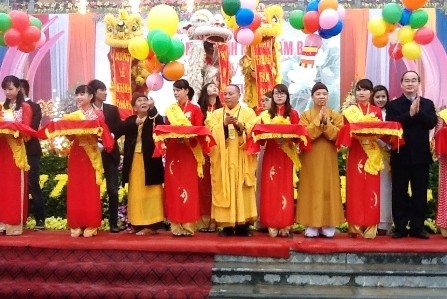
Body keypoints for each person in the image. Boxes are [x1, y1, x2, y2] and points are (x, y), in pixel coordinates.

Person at [386, 71, 437, 239]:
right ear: (401, 84)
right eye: (406, 80)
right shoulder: (393, 105)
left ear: (418, 84)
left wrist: (418, 111)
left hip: (421, 156)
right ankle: (400, 227)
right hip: (400, 155)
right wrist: (409, 114)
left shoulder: (427, 104)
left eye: (413, 80)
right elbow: (392, 124)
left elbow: (431, 123)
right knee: (399, 193)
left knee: (420, 193)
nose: (410, 83)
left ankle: (417, 227)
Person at [62, 85, 113, 237]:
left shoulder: (98, 115)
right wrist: (67, 130)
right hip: (77, 154)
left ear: (91, 96)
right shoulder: (72, 116)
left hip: (91, 155)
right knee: (76, 187)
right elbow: (70, 137)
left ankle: (92, 223)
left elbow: (102, 133)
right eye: (77, 94)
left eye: (82, 94)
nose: (79, 97)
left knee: (90, 188)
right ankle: (76, 223)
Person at [207, 84, 258, 237]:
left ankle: (243, 225)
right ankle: (226, 225)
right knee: (224, 188)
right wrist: (223, 125)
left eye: (231, 93)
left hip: (241, 158)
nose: (227, 96)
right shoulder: (216, 114)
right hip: (223, 158)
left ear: (239, 94)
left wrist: (238, 125)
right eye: (225, 94)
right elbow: (209, 131)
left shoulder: (248, 112)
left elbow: (253, 131)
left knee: (242, 189)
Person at [297, 82, 344, 238]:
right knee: (312, 187)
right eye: (318, 94)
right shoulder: (305, 115)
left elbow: (338, 135)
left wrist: (327, 124)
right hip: (311, 156)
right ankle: (311, 223)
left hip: (329, 156)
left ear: (328, 96)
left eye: (324, 93)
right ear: (312, 97)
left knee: (328, 187)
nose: (321, 97)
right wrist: (319, 122)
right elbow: (304, 135)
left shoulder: (336, 115)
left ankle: (328, 223)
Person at [115, 93, 164, 235]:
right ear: (134, 107)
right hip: (134, 160)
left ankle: (152, 225)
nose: (143, 102)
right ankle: (137, 223)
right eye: (139, 100)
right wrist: (134, 122)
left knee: (151, 191)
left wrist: (153, 109)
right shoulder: (131, 120)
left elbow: (161, 125)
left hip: (150, 161)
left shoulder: (153, 118)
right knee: (136, 192)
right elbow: (118, 129)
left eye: (145, 100)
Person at [258, 84, 300, 238]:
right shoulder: (265, 115)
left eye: (282, 93)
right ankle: (271, 222)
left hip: (286, 154)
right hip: (271, 153)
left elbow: (298, 135)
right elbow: (259, 138)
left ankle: (285, 223)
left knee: (286, 187)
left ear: (287, 96)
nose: (279, 96)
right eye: (276, 93)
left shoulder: (293, 114)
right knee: (270, 187)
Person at [343, 79, 383, 239]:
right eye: (359, 90)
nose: (361, 93)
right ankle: (355, 225)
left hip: (372, 152)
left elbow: (381, 130)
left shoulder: (376, 111)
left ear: (370, 93)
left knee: (372, 188)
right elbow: (345, 132)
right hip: (356, 151)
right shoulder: (349, 111)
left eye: (365, 90)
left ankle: (371, 226)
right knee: (355, 187)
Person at [164, 79, 204, 236]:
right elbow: (166, 129)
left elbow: (199, 129)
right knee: (173, 186)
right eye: (174, 90)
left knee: (189, 186)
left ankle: (188, 225)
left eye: (178, 90)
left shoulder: (195, 109)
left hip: (189, 150)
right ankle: (175, 225)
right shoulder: (171, 110)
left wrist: (187, 136)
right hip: (174, 150)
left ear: (187, 91)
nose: (175, 93)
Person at [0, 75, 32, 236]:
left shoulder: (25, 107)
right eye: (5, 89)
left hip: (16, 151)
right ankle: (1, 222)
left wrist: (14, 128)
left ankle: (13, 224)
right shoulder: (1, 107)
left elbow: (27, 131)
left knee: (13, 186)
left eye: (11, 89)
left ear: (18, 88)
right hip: (2, 151)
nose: (8, 92)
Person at [88, 79, 121, 233]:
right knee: (91, 189)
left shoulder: (112, 110)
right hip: (92, 153)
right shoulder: (86, 111)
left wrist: (111, 136)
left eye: (105, 89)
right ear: (94, 93)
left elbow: (119, 128)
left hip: (110, 153)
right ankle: (92, 221)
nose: (105, 92)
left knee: (113, 190)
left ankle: (113, 222)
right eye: (102, 90)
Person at [19, 79, 46, 230]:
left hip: (30, 150)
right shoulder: (8, 107)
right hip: (11, 151)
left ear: (21, 89)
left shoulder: (34, 107)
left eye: (12, 89)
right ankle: (15, 218)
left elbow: (32, 128)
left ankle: (40, 219)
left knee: (33, 184)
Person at [197, 82, 222, 232]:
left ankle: (216, 220)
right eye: (211, 86)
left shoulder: (223, 109)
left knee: (217, 184)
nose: (215, 88)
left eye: (216, 86)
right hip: (203, 151)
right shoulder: (199, 110)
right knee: (204, 185)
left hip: (219, 151)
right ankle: (203, 221)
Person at [371, 85, 393, 236]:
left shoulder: (392, 112)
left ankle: (384, 223)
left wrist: (386, 143)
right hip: (370, 154)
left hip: (387, 153)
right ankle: (370, 221)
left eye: (383, 96)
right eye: (377, 97)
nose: (380, 100)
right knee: (371, 188)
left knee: (385, 188)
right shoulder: (368, 113)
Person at [255, 90, 272, 231]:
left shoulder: (284, 115)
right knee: (262, 183)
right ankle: (261, 219)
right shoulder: (262, 116)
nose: (263, 102)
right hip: (264, 150)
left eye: (266, 99)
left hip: (281, 152)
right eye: (262, 100)